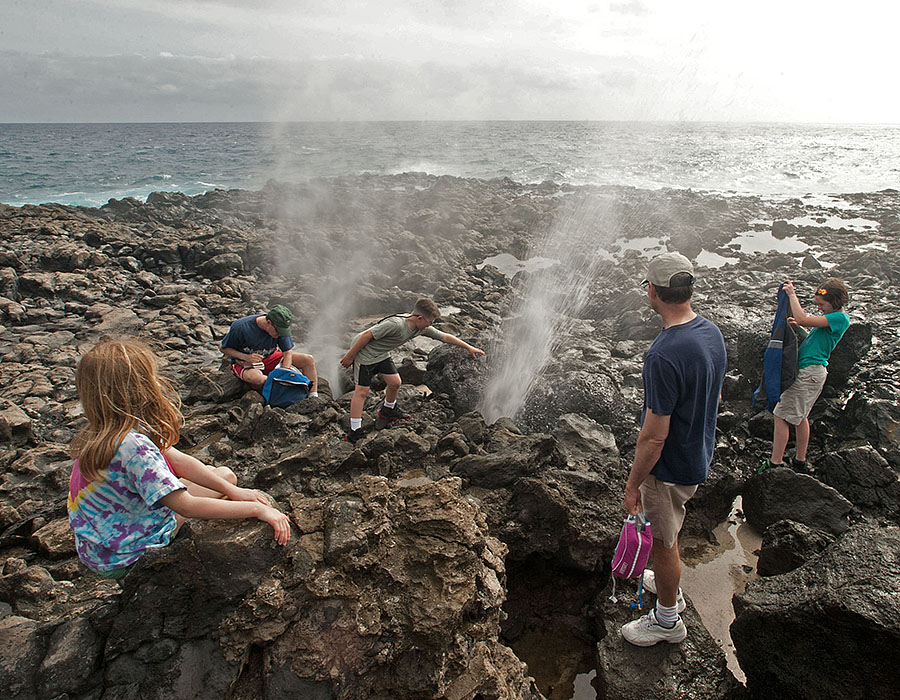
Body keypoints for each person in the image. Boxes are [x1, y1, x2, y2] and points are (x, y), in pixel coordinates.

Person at [68, 339, 291, 579]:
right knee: (221, 482)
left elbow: (177, 458)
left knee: (226, 476)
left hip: (98, 549)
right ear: (140, 389)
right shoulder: (132, 446)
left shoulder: (100, 432)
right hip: (126, 556)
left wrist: (232, 490)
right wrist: (257, 510)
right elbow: (186, 506)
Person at [621, 253, 726, 646]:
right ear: (688, 289)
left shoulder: (662, 354)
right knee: (672, 531)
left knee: (664, 543)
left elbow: (654, 436)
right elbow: (712, 398)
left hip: (670, 467)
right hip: (698, 452)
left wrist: (634, 484)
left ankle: (667, 619)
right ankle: (669, 587)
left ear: (652, 291)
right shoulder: (710, 332)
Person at [340, 297, 485, 443]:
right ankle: (354, 432)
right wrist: (350, 356)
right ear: (420, 318)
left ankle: (387, 411)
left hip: (381, 353)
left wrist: (468, 347)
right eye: (430, 322)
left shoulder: (421, 327)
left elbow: (444, 336)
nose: (431, 325)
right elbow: (367, 335)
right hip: (364, 354)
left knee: (395, 383)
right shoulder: (396, 325)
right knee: (362, 392)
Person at [762, 278, 849, 472]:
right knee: (801, 417)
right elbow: (812, 338)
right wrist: (798, 328)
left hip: (809, 372)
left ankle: (775, 462)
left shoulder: (840, 318)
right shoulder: (831, 320)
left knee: (780, 415)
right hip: (813, 372)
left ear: (835, 302)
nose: (819, 308)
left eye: (821, 304)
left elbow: (803, 317)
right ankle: (800, 460)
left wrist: (792, 295)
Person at [220, 304, 319, 397]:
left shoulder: (280, 328)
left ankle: (313, 396)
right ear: (269, 323)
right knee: (256, 378)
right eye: (278, 332)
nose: (280, 335)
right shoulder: (241, 327)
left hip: (270, 357)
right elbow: (223, 348)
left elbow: (287, 352)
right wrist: (246, 357)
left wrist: (284, 371)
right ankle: (277, 391)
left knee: (308, 359)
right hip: (244, 363)